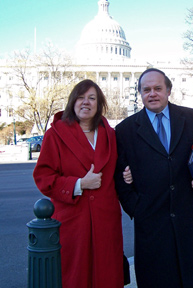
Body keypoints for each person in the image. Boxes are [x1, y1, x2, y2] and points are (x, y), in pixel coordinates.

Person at [115, 68, 193, 288]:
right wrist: (136, 208)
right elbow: (118, 176)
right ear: (140, 93)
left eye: (158, 88)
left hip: (191, 223)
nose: (152, 93)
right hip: (151, 227)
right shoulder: (125, 130)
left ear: (168, 90)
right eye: (146, 89)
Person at [33, 79, 131, 288]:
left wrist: (127, 174)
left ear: (99, 104)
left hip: (106, 219)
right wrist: (79, 184)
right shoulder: (55, 134)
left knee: (107, 275)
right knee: (75, 277)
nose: (86, 102)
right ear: (72, 102)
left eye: (92, 98)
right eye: (80, 97)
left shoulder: (111, 135)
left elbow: (120, 167)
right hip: (73, 220)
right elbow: (43, 177)